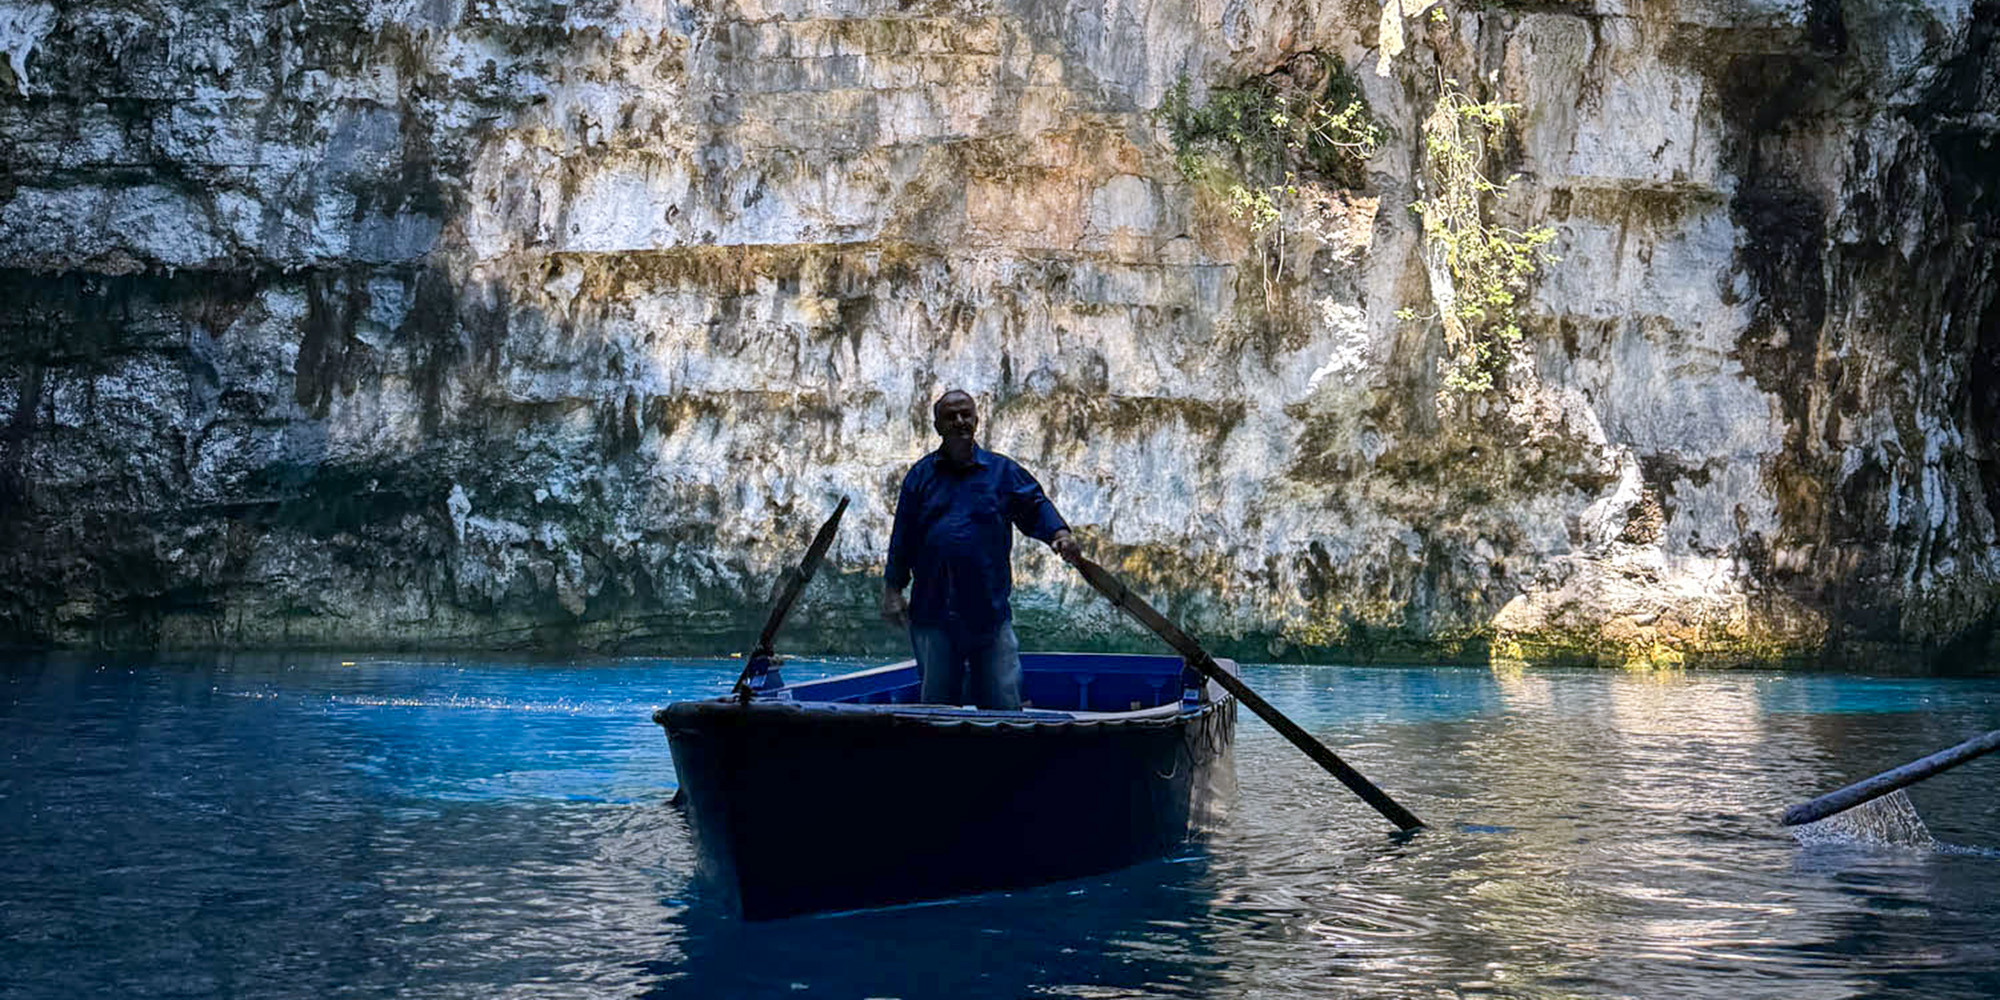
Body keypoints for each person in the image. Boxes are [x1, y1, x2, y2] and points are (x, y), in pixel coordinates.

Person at [882, 390, 1080, 709]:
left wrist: (1059, 534)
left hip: (988, 611)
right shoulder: (920, 477)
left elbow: (1034, 505)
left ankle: (1005, 743)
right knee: (937, 708)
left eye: (966, 414)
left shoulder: (1002, 472)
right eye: (951, 416)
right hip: (933, 610)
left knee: (1003, 702)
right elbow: (902, 537)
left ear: (977, 419)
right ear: (937, 426)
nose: (960, 421)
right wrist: (892, 591)